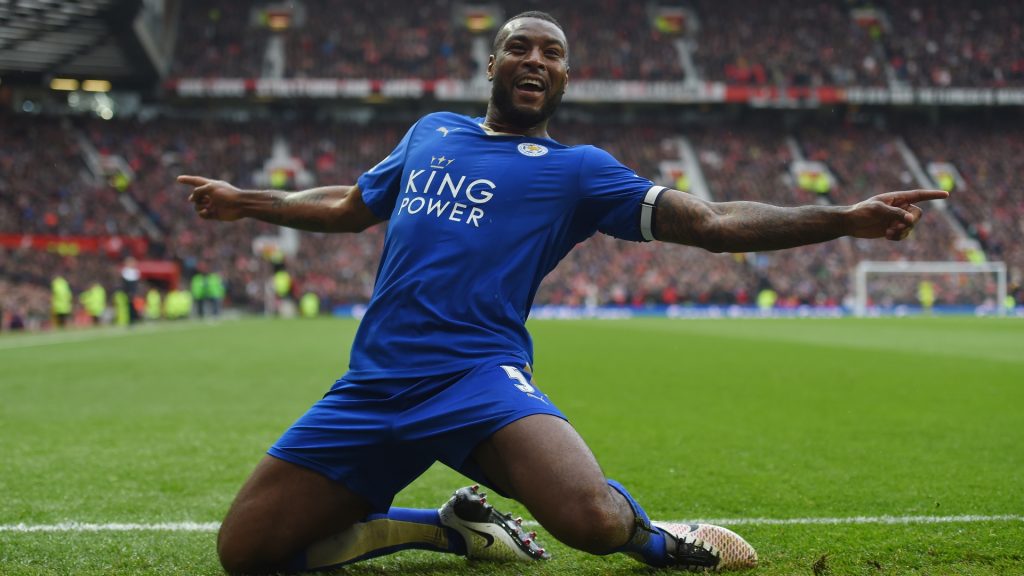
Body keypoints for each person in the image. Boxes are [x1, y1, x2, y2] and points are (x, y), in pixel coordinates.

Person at [178, 11, 946, 575]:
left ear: (566, 77)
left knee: (591, 520)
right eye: (520, 45)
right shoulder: (430, 133)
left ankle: (663, 542)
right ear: (493, 65)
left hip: (476, 378)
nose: (535, 58)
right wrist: (251, 201)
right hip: (375, 383)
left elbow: (711, 222)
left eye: (553, 51)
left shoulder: (578, 171)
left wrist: (842, 219)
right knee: (246, 553)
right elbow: (351, 205)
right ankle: (446, 530)